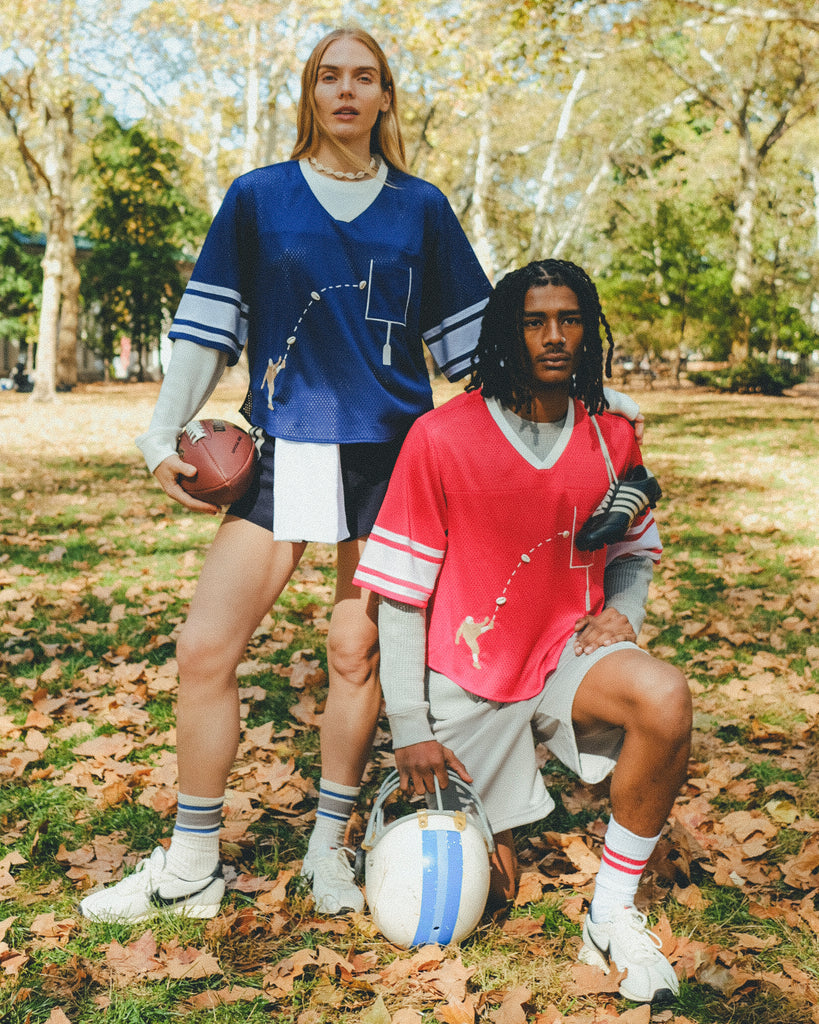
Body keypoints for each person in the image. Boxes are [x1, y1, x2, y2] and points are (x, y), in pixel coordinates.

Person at [79, 29, 642, 925]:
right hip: (287, 449)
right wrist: (159, 433)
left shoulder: (420, 209)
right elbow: (206, 329)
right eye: (329, 77)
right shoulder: (258, 198)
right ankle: (190, 862)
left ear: (385, 97)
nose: (346, 92)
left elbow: (481, 352)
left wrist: (594, 410)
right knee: (204, 649)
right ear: (310, 92)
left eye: (364, 78)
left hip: (390, 459)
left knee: (356, 654)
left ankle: (326, 849)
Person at [353, 259, 692, 1004]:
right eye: (534, 321)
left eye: (568, 320)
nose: (553, 337)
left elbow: (633, 550)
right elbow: (401, 597)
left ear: (589, 330)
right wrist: (409, 724)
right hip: (468, 675)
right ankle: (484, 827)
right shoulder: (440, 437)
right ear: (505, 332)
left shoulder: (610, 436)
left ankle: (610, 911)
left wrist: (623, 614)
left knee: (664, 696)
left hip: (564, 653)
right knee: (481, 901)